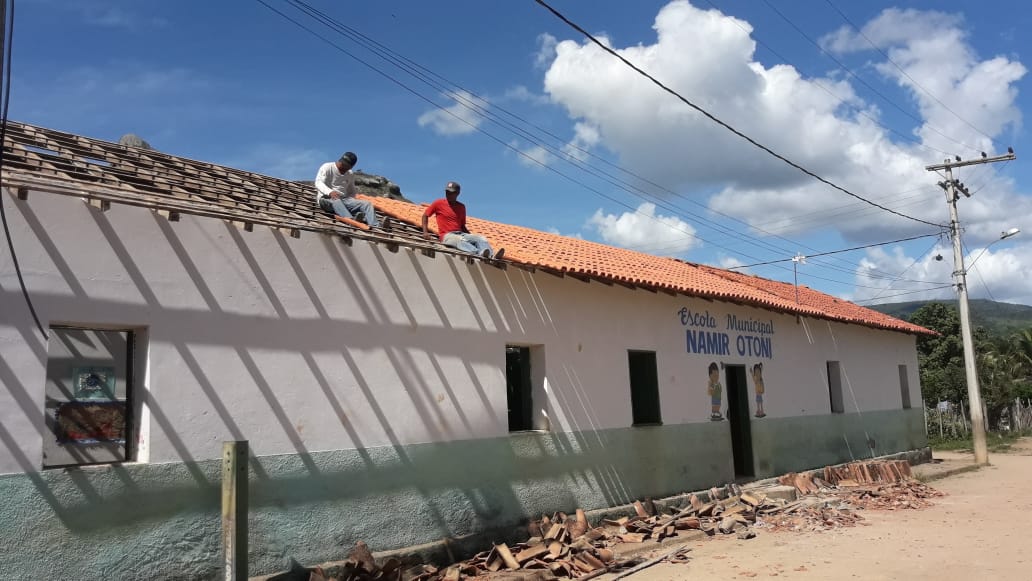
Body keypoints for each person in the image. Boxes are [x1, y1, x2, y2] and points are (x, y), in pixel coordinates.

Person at [422, 181, 504, 260]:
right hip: (447, 236)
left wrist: (472, 237)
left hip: (461, 233)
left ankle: (492, 255)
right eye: (447, 192)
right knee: (460, 240)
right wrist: (425, 232)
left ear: (457, 193)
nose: (448, 194)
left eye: (451, 192)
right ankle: (480, 253)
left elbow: (462, 226)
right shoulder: (438, 203)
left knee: (480, 238)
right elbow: (425, 215)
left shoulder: (461, 207)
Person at [314, 152, 390, 230]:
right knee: (336, 201)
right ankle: (351, 220)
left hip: (343, 199)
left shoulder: (349, 173)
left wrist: (351, 202)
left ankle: (376, 226)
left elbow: (352, 191)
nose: (345, 169)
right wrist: (330, 192)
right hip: (326, 198)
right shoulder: (327, 167)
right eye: (344, 166)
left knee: (367, 204)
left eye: (348, 167)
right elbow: (318, 182)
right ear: (341, 161)